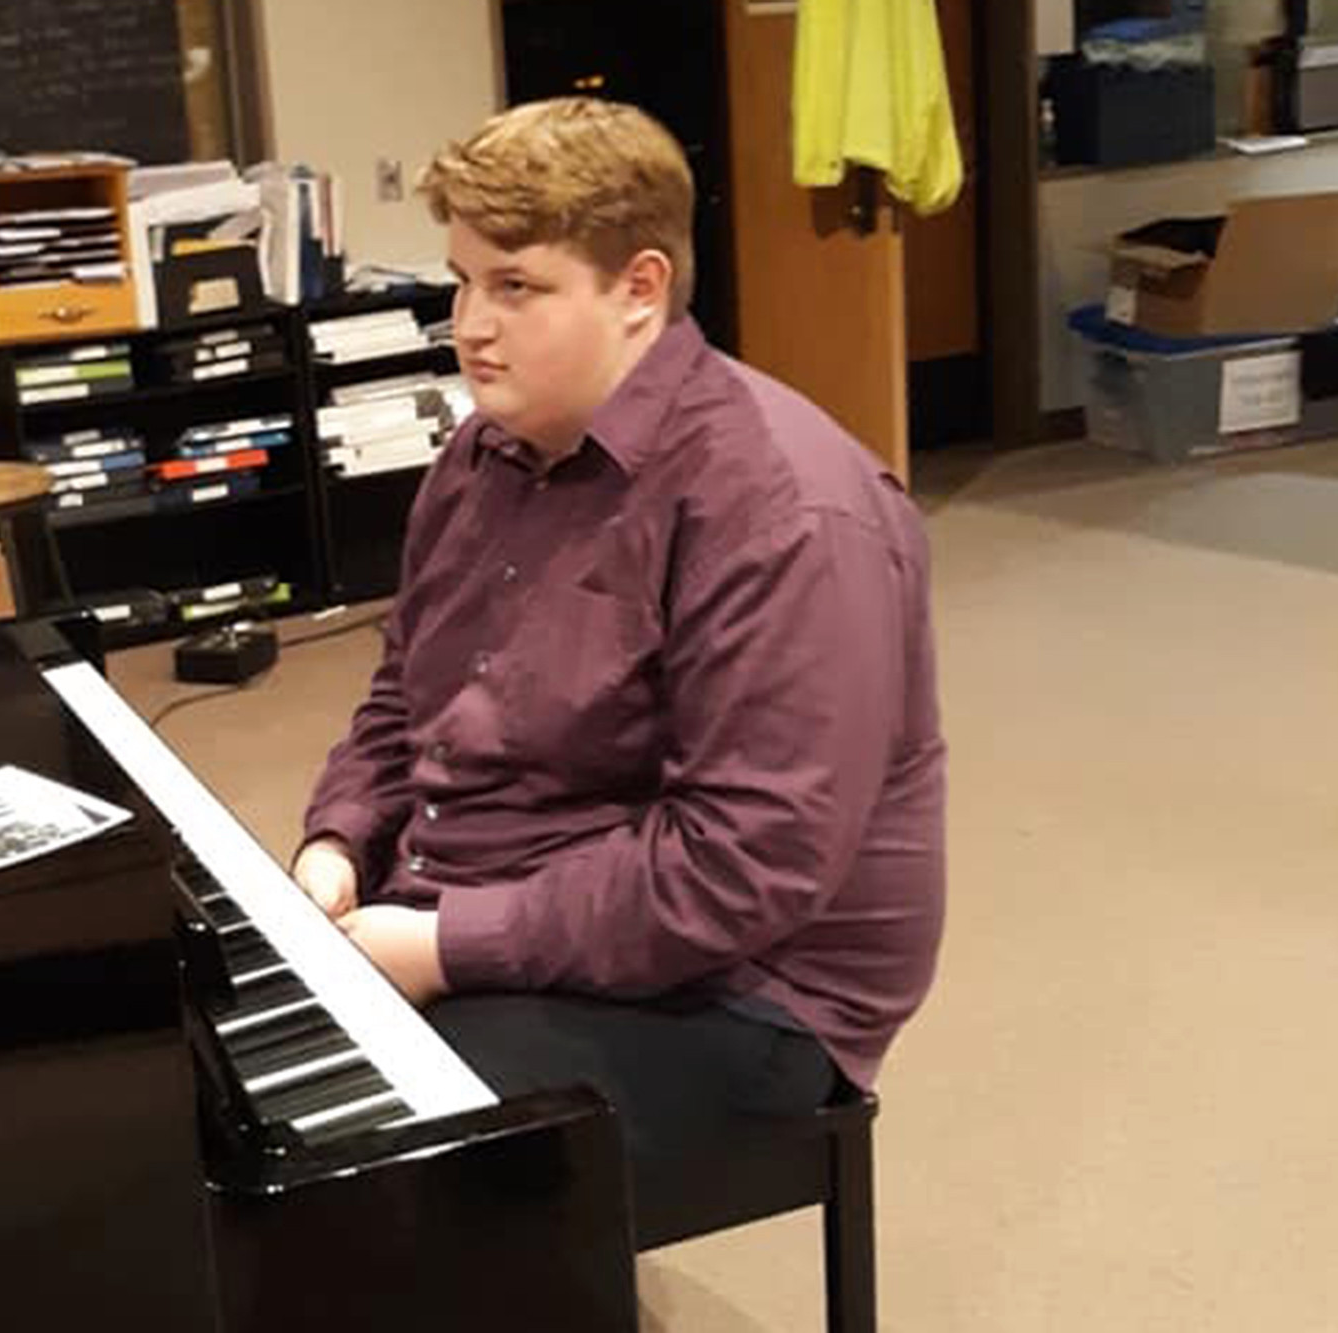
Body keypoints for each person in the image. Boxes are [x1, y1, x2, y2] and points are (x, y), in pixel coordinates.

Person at [292, 98, 946, 1174]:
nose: (468, 323)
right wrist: (340, 838)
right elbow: (405, 694)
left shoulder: (783, 510)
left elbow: (742, 866)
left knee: (364, 1166)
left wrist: (445, 947)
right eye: (461, 280)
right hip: (499, 892)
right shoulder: (481, 454)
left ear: (638, 289)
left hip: (748, 991)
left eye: (515, 287)